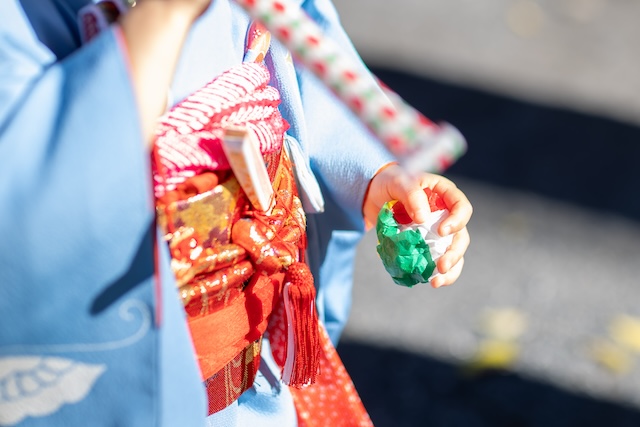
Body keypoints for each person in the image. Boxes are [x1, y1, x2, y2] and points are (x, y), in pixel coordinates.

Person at [0, 0, 472, 426]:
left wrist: (370, 171)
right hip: (135, 354)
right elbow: (39, 192)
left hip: (252, 352)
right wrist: (164, 15)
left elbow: (294, 57)